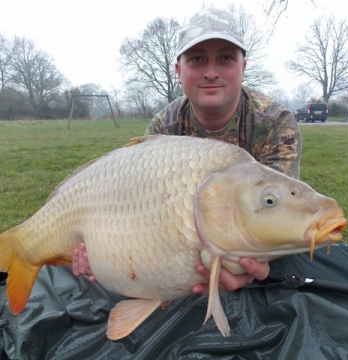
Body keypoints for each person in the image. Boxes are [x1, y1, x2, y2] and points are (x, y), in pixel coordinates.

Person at [72, 7, 301, 298]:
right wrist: (111, 258)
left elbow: (279, 215)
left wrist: (259, 266)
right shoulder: (163, 127)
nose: (211, 72)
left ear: (244, 66)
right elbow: (146, 218)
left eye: (226, 58)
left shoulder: (275, 123)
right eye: (197, 59)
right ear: (179, 71)